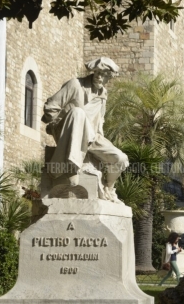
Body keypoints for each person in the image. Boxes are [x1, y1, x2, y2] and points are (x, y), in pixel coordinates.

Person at [41, 57, 129, 202]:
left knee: (121, 159)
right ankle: (72, 167)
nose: (100, 77)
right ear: (93, 71)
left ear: (109, 77)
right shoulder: (75, 85)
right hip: (70, 133)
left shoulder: (103, 94)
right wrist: (58, 126)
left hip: (92, 136)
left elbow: (99, 120)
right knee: (78, 112)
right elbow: (50, 107)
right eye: (98, 72)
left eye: (104, 74)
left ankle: (109, 188)